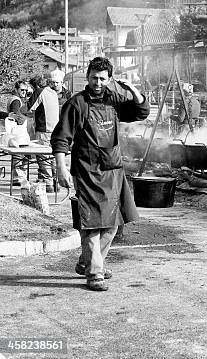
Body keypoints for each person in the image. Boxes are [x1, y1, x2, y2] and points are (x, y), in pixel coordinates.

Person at [51, 57, 150, 292]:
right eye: (94, 78)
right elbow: (61, 138)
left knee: (113, 224)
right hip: (87, 171)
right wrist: (61, 167)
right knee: (91, 224)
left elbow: (141, 112)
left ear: (109, 79)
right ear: (87, 77)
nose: (97, 83)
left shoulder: (114, 101)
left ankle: (89, 261)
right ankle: (95, 272)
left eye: (103, 79)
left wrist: (132, 89)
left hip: (113, 170)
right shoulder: (76, 104)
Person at [28, 74, 60, 192]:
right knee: (52, 157)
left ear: (35, 85)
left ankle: (48, 183)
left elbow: (28, 108)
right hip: (55, 129)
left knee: (43, 157)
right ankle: (56, 181)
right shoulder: (52, 92)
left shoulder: (39, 91)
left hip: (44, 129)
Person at [6, 80, 30, 185]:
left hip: (15, 131)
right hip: (17, 131)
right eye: (22, 90)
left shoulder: (14, 98)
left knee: (20, 154)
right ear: (16, 89)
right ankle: (18, 177)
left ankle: (18, 177)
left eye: (26, 90)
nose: (24, 92)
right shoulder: (16, 100)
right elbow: (14, 114)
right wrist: (24, 118)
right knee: (20, 154)